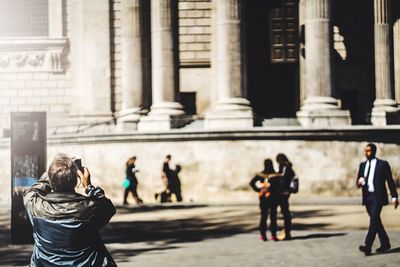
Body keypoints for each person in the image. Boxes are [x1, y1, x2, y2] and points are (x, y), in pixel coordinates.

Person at [23, 153, 116, 266]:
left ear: (50, 180)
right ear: (75, 180)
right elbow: (109, 207)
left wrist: (53, 173)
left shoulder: (35, 205)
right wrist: (88, 186)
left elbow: (32, 191)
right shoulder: (90, 208)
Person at [356, 143, 398, 256]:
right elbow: (358, 182)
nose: (366, 153)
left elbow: (390, 181)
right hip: (367, 197)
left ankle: (367, 245)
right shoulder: (362, 165)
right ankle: (385, 243)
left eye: (368, 151)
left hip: (378, 196)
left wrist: (394, 196)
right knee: (376, 221)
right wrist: (359, 183)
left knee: (373, 220)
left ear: (374, 151)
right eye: (365, 151)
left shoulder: (382, 164)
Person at [249, 159, 280, 241]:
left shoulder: (261, 175)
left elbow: (252, 183)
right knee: (273, 217)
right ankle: (273, 235)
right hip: (273, 198)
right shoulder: (276, 175)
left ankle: (263, 235)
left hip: (263, 199)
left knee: (264, 217)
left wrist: (259, 190)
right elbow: (280, 185)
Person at [275, 153, 295, 240]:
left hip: (283, 192)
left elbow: (283, 180)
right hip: (286, 192)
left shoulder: (284, 168)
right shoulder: (288, 167)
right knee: (285, 211)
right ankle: (286, 232)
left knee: (285, 212)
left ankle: (287, 232)